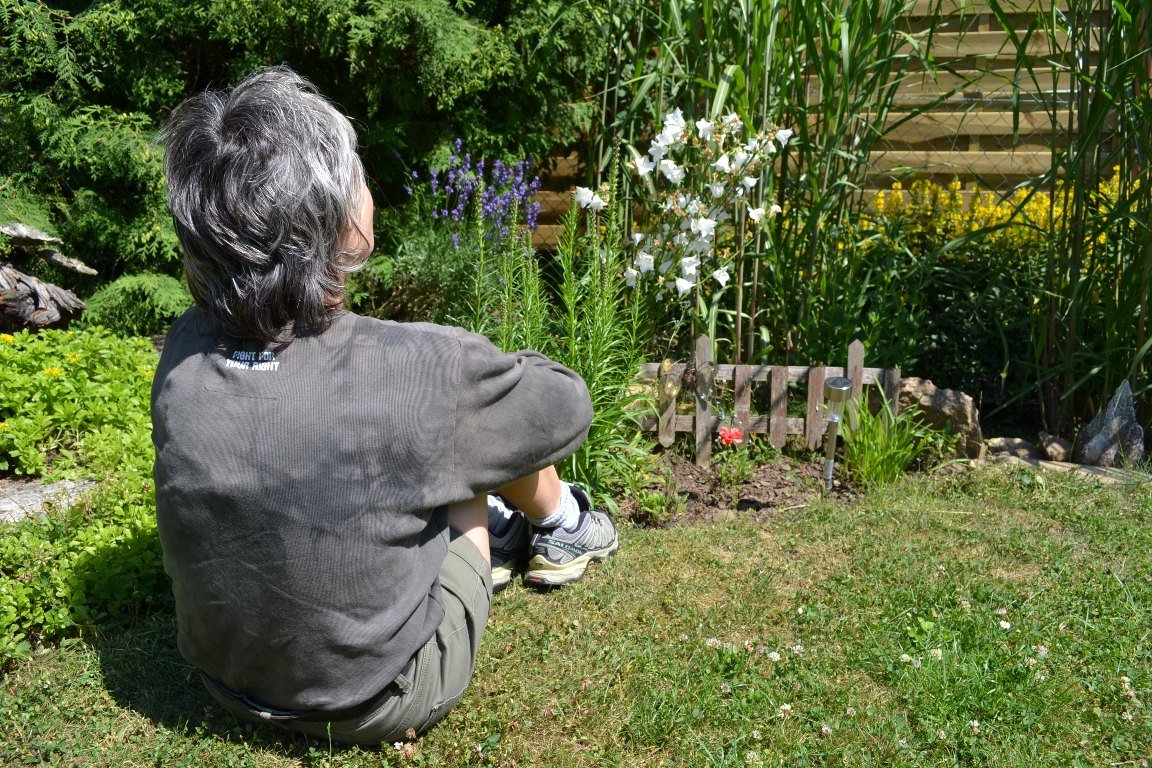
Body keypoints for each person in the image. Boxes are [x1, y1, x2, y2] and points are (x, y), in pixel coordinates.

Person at [151, 65, 619, 745]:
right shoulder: (417, 366)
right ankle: (564, 527)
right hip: (378, 697)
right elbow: (564, 407)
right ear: (341, 224)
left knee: (429, 435)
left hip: (224, 683)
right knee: (467, 438)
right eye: (358, 178)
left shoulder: (185, 352)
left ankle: (519, 524)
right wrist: (482, 368)